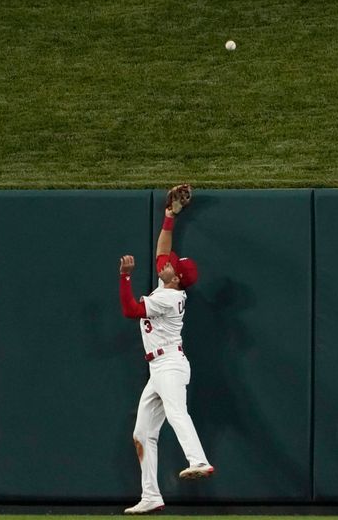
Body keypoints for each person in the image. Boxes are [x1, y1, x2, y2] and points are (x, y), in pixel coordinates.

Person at [118, 204, 214, 515]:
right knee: (142, 433)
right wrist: (170, 216)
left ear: (176, 278)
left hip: (169, 364)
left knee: (176, 413)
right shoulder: (169, 285)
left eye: (172, 266)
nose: (166, 264)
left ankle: (198, 460)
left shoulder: (169, 298)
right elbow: (163, 250)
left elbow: (130, 311)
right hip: (158, 367)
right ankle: (151, 496)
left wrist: (125, 278)